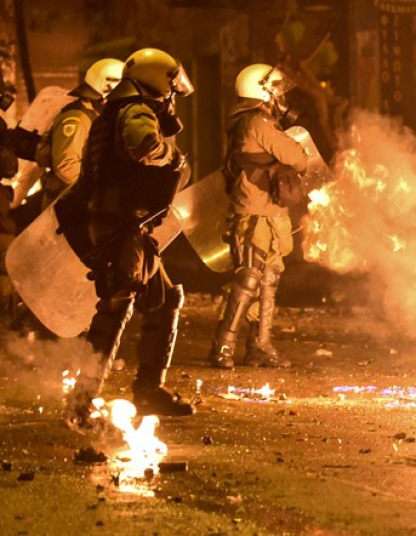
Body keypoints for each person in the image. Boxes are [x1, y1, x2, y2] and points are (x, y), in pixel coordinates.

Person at [62, 47, 195, 426]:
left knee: (166, 297)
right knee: (117, 303)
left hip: (127, 223)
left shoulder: (122, 107)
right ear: (156, 79)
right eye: (169, 86)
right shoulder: (136, 110)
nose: (171, 95)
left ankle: (149, 390)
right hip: (118, 223)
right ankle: (81, 403)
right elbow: (143, 145)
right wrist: (171, 157)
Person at [209, 63, 308, 369]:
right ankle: (222, 347)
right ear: (260, 91)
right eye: (275, 88)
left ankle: (259, 347)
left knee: (268, 278)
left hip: (269, 212)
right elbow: (298, 158)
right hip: (253, 213)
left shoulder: (259, 122)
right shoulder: (256, 123)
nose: (280, 94)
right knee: (248, 278)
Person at [36, 58, 124, 207]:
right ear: (106, 90)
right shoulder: (77, 119)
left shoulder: (95, 116)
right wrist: (99, 191)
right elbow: (66, 166)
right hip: (65, 204)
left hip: (78, 201)